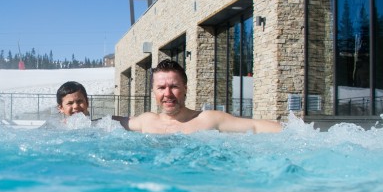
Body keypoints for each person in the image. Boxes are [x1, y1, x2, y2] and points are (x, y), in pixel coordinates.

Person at [117, 59, 282, 134]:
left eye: (174, 86)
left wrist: (301, 133)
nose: (167, 94)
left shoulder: (208, 119)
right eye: (161, 88)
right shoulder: (147, 120)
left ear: (185, 88)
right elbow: (108, 122)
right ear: (154, 92)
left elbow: (254, 126)